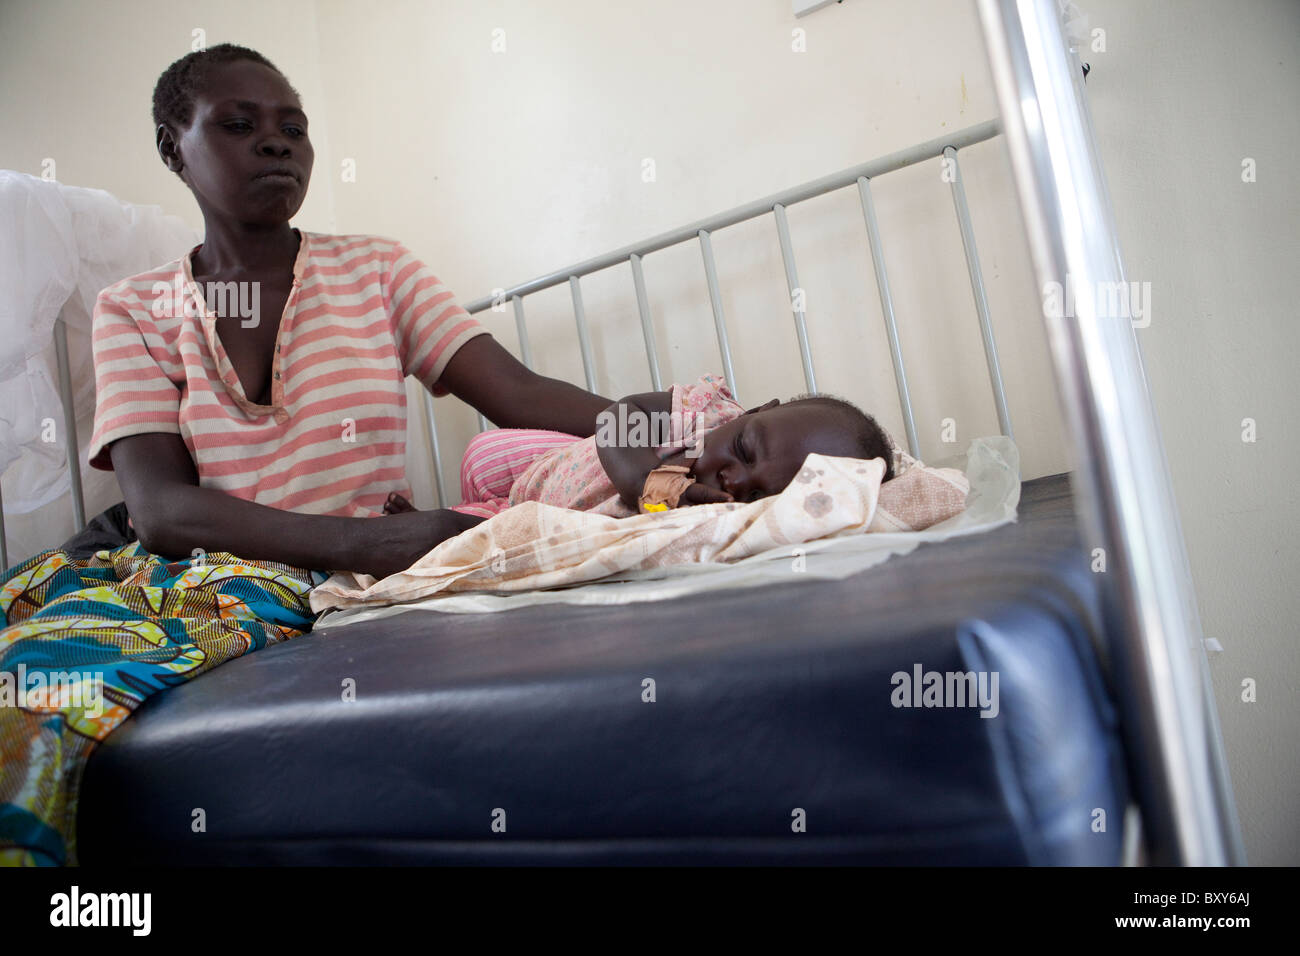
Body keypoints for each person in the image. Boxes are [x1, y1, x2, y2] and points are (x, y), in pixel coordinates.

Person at [89, 43, 610, 581]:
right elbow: (161, 512)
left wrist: (677, 427)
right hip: (222, 583)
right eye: (240, 125)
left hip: (369, 578)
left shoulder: (377, 269)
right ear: (172, 148)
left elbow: (519, 393)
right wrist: (363, 542)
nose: (275, 144)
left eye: (294, 131)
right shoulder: (134, 309)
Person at [383, 374, 896, 520]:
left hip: (531, 513)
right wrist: (646, 479)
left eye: (760, 494)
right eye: (742, 447)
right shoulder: (706, 413)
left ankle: (424, 518)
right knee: (481, 455)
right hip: (547, 462)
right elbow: (619, 417)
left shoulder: (705, 523)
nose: (735, 480)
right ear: (752, 412)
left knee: (466, 532)